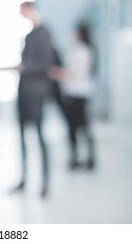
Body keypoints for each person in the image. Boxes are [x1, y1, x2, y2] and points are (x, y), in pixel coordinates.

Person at [9, 1, 54, 198]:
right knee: (22, 137)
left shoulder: (44, 33)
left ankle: (45, 182)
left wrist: (25, 68)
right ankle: (24, 178)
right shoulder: (29, 35)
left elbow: (45, 63)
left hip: (36, 93)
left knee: (39, 137)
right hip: (24, 93)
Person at [49, 23, 96, 170]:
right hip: (74, 93)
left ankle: (88, 157)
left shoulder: (83, 51)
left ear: (80, 34)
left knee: (80, 125)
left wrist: (58, 74)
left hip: (79, 94)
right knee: (76, 126)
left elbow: (76, 73)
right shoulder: (78, 50)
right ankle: (77, 157)